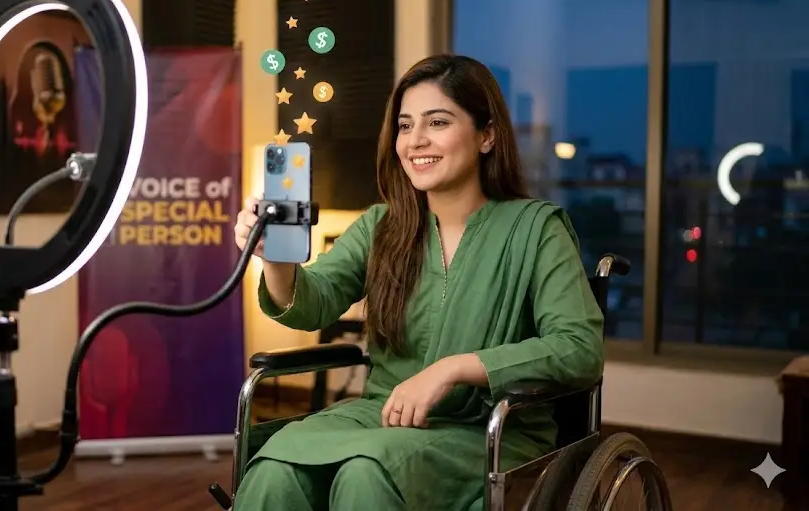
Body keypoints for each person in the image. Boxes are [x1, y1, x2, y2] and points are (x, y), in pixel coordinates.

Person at [231, 54, 605, 511]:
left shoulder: (536, 229)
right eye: (405, 126)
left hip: (491, 432)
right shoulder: (381, 226)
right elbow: (312, 303)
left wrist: (453, 368)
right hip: (384, 416)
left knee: (366, 472)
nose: (416, 140)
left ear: (486, 135)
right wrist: (276, 259)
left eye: (438, 122)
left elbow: (579, 348)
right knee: (274, 467)